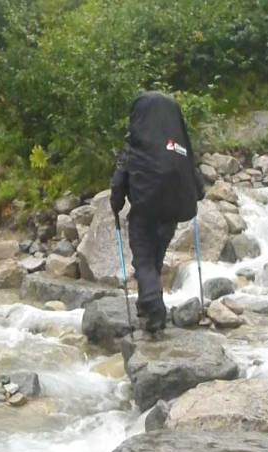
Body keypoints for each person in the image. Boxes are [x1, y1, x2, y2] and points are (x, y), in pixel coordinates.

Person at [110, 91, 204, 333]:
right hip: (171, 213)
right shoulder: (178, 147)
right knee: (155, 258)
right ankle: (148, 305)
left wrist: (116, 204)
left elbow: (119, 181)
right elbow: (197, 183)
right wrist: (197, 195)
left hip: (144, 210)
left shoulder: (137, 145)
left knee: (143, 259)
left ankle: (153, 306)